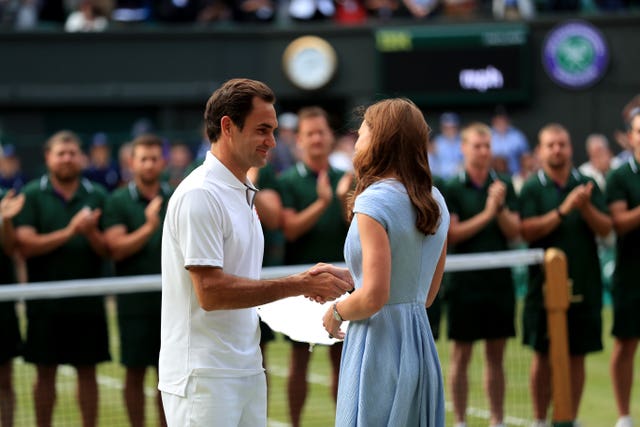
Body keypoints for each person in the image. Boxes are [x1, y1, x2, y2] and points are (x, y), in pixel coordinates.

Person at [158, 78, 352, 427]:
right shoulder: (200, 194)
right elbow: (211, 292)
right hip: (205, 377)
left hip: (244, 367)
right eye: (263, 130)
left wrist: (304, 296)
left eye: (274, 130)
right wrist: (299, 283)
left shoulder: (240, 192)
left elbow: (240, 284)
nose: (272, 142)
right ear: (228, 127)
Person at [320, 98, 449, 426]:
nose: (355, 143)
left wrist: (335, 313)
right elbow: (423, 291)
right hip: (420, 344)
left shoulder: (373, 200)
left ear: (380, 140)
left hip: (377, 349)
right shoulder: (436, 200)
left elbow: (375, 297)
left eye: (361, 134)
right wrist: (352, 276)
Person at [14, 130, 111, 427]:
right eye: (60, 153)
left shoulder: (97, 195)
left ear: (80, 157)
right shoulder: (31, 194)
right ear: (48, 158)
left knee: (88, 372)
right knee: (45, 373)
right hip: (45, 304)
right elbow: (25, 245)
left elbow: (108, 248)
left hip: (88, 301)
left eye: (72, 153)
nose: (67, 159)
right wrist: (70, 231)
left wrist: (91, 232)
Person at [519, 123, 612, 426]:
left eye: (562, 143)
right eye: (551, 145)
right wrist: (564, 209)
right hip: (542, 286)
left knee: (578, 354)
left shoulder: (588, 183)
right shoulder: (533, 187)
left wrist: (584, 208)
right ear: (540, 150)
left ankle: (569, 418)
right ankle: (539, 420)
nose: (557, 149)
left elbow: (606, 228)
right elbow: (527, 230)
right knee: (542, 355)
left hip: (584, 281)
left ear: (571, 148)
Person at [443, 122, 521, 427]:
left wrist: (499, 209)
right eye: (477, 145)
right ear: (463, 148)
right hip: (464, 282)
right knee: (461, 355)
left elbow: (515, 232)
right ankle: (460, 420)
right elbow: (454, 234)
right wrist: (488, 212)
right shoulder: (451, 187)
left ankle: (497, 420)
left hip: (498, 281)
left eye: (487, 146)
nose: (483, 151)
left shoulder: (503, 184)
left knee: (497, 357)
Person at [277, 106, 350, 427]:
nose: (317, 138)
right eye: (310, 133)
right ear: (300, 141)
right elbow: (289, 228)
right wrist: (322, 202)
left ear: (331, 137)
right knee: (299, 361)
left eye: (322, 132)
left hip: (342, 284)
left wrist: (346, 201)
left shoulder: (346, 180)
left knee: (342, 361)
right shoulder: (289, 181)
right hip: (302, 286)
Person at [102, 134, 171, 427]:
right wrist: (149, 227)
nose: (149, 164)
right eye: (143, 158)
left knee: (167, 375)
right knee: (134, 372)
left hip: (171, 301)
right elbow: (115, 247)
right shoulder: (117, 201)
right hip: (133, 303)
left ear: (163, 162)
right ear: (132, 163)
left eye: (155, 158)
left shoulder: (176, 196)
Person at [606, 108, 640, 427]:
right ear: (630, 137)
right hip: (632, 275)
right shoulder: (619, 176)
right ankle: (624, 416)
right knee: (626, 343)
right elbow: (618, 222)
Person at [0, 188, 24, 427]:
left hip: (2, 305)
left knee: (4, 380)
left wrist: (5, 220)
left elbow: (10, 248)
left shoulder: (3, 198)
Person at [490, 106, 530, 176]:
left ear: (508, 120)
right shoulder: (488, 135)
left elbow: (525, 157)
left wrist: (524, 173)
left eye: (503, 119)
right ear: (494, 120)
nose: (501, 121)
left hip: (514, 175)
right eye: (498, 119)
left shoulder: (517, 136)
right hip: (492, 175)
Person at [430, 112, 463, 180]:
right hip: (441, 179)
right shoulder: (436, 142)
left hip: (459, 179)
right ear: (442, 127)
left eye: (453, 127)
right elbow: (431, 163)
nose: (450, 130)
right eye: (447, 127)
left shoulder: (463, 141)